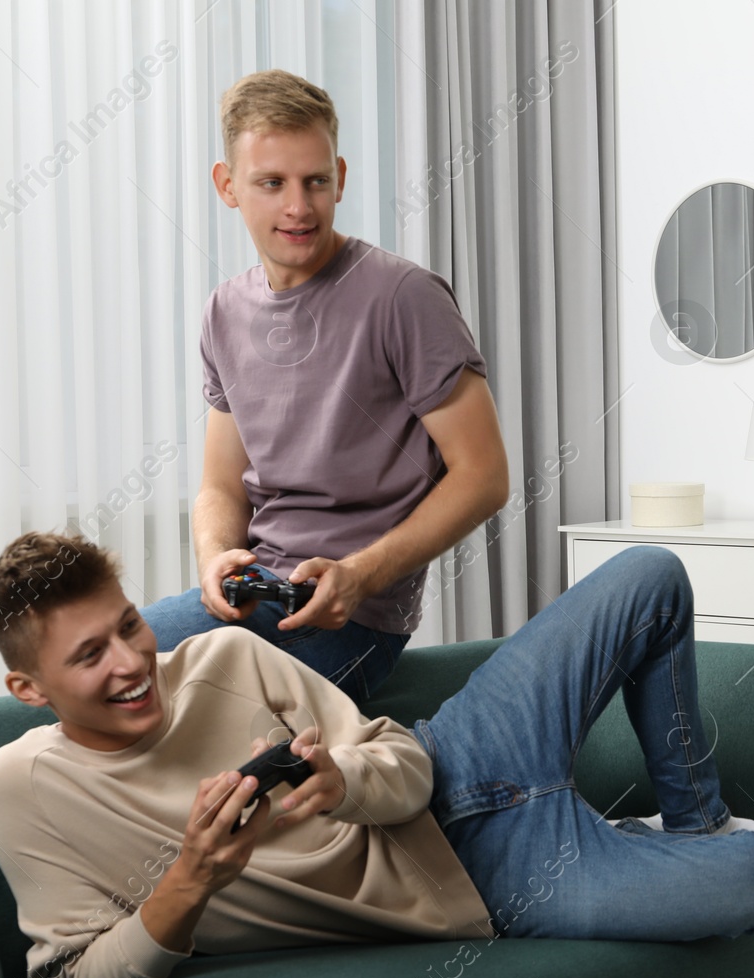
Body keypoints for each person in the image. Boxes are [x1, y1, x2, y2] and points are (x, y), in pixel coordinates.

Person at [0, 531, 754, 978]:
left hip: (462, 754)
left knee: (650, 572)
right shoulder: (24, 787)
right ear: (28, 685)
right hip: (490, 883)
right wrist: (190, 879)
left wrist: (344, 782)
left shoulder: (226, 657)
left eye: (130, 625)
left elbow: (402, 761)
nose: (131, 661)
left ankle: (690, 818)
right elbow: (73, 974)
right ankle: (619, 838)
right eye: (90, 654)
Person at [139, 69, 509, 701]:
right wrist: (215, 558)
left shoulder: (403, 297)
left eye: (314, 181)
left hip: (354, 617)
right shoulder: (223, 312)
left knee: (203, 719)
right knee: (96, 672)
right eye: (271, 183)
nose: (298, 207)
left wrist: (360, 575)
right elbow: (221, 486)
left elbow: (484, 476)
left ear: (339, 176)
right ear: (227, 186)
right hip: (251, 595)